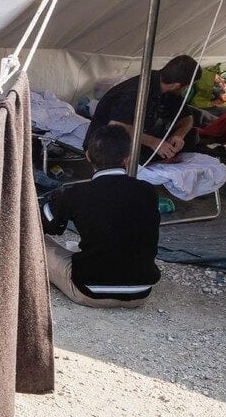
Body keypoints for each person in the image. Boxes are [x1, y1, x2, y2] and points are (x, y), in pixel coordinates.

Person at [40, 125, 161, 308]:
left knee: (33, 238)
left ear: (88, 156)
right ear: (127, 159)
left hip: (90, 290)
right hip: (140, 291)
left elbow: (46, 225)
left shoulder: (77, 193)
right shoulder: (148, 191)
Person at [85, 54, 200, 162]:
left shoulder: (170, 91)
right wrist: (154, 143)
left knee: (192, 135)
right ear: (177, 85)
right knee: (122, 151)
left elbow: (187, 118)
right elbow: (117, 126)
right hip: (106, 143)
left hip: (141, 139)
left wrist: (179, 134)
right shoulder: (135, 91)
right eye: (188, 86)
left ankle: (159, 162)